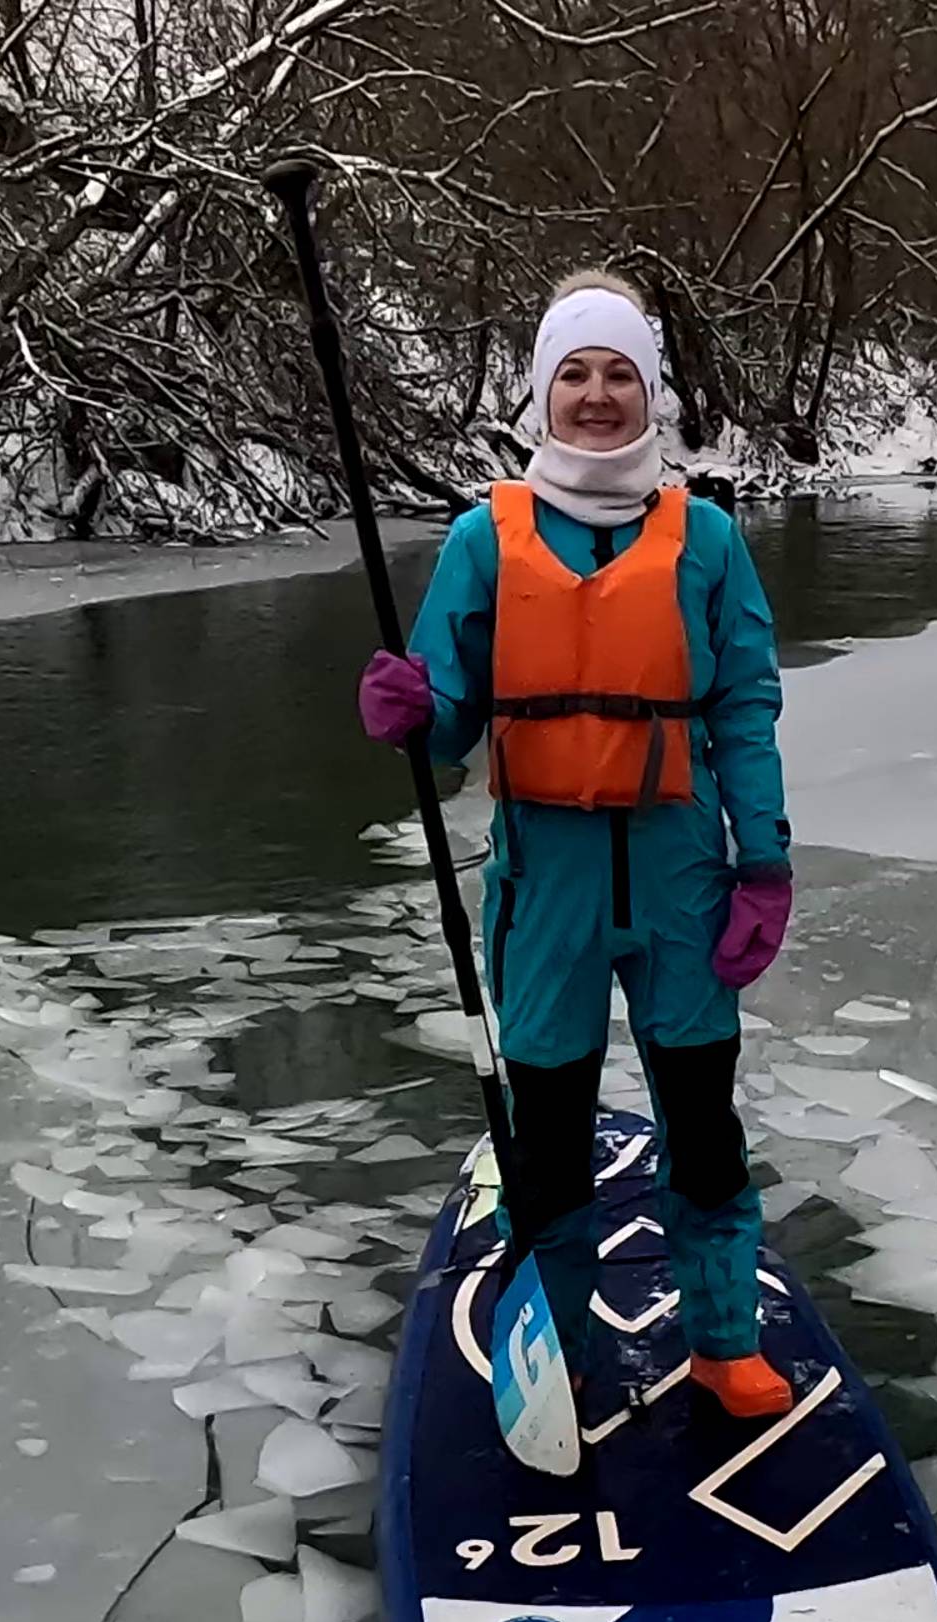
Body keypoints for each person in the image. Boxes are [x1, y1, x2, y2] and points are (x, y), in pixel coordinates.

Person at [356, 270, 798, 1425]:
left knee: (701, 1122)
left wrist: (766, 862)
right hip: (542, 883)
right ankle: (560, 1357)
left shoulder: (703, 538)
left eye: (619, 374)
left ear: (648, 392)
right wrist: (409, 711)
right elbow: (448, 721)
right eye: (575, 374)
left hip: (680, 876)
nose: (597, 396)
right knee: (547, 1136)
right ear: (543, 393)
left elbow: (744, 707)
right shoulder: (481, 542)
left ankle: (722, 1341)